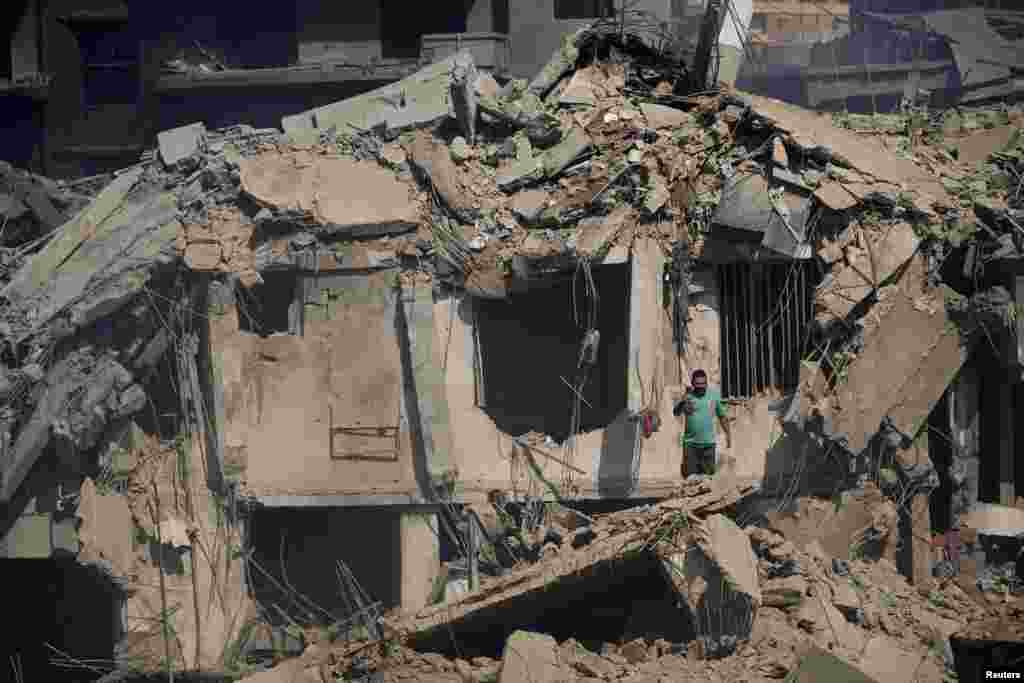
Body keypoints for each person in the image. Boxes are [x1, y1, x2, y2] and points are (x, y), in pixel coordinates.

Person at [673, 369, 731, 477]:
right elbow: (676, 413)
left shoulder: (714, 395)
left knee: (708, 480)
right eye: (698, 384)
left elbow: (722, 416)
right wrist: (682, 401)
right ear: (693, 384)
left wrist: (728, 435)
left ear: (706, 383)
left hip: (708, 446)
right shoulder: (688, 396)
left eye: (703, 383)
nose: (700, 386)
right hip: (690, 445)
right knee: (690, 479)